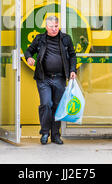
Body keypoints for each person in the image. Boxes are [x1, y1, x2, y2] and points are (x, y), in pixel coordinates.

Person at [25, 16, 77, 145]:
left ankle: (55, 135)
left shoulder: (66, 38)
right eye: (51, 26)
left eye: (56, 26)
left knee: (57, 106)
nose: (54, 29)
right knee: (46, 104)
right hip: (44, 78)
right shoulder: (40, 39)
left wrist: (72, 70)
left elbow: (72, 55)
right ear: (46, 27)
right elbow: (28, 51)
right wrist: (29, 58)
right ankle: (44, 133)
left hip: (59, 78)